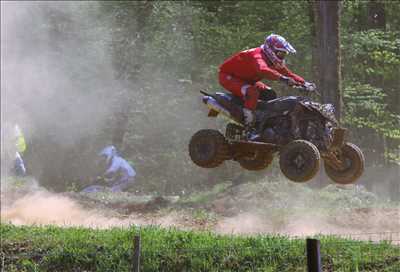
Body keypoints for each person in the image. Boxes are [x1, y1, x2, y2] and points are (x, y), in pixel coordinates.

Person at [218, 33, 308, 127]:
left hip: (247, 80)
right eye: (280, 53)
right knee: (252, 92)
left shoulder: (271, 59)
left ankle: (263, 121)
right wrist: (283, 79)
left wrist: (304, 83)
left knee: (270, 94)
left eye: (284, 54)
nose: (282, 56)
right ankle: (248, 123)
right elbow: (263, 70)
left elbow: (289, 74)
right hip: (228, 77)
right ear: (271, 49)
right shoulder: (257, 55)